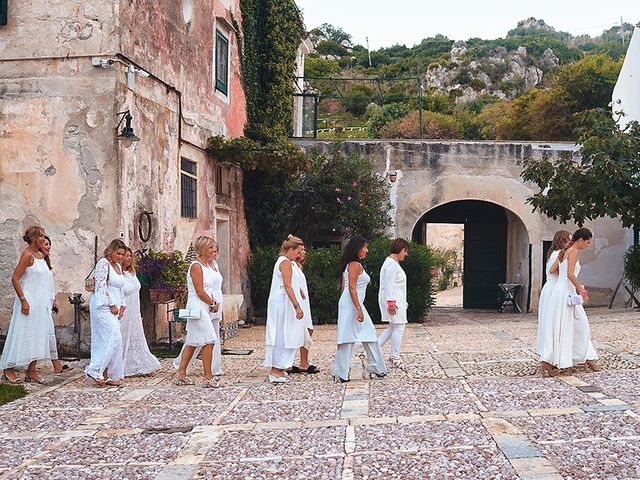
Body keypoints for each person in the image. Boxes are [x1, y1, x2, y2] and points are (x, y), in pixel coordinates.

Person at [1, 226, 56, 384]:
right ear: (34, 238)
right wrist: (23, 300)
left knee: (38, 336)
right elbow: (15, 278)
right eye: (41, 236)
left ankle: (31, 371)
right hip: (28, 302)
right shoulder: (27, 255)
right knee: (21, 334)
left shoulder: (41, 255)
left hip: (41, 303)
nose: (44, 239)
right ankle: (8, 368)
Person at [332, 237, 387, 383]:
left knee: (364, 335)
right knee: (349, 337)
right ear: (358, 249)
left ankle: (344, 371)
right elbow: (351, 287)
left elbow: (345, 286)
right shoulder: (355, 265)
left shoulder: (351, 265)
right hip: (353, 304)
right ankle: (344, 371)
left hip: (351, 303)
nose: (367, 250)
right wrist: (358, 308)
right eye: (365, 247)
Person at [547, 227, 600, 371]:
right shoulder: (574, 251)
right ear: (581, 240)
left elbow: (552, 270)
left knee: (566, 325)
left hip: (561, 289)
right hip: (567, 291)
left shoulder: (565, 252)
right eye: (587, 243)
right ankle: (576, 358)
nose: (587, 246)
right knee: (579, 324)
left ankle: (569, 358)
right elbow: (570, 274)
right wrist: (582, 290)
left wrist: (563, 275)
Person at [173, 236, 219, 388]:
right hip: (197, 306)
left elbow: (209, 288)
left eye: (214, 247)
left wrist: (213, 303)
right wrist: (211, 302)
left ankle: (180, 373)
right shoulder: (196, 266)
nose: (214, 250)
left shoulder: (208, 265)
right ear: (203, 249)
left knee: (192, 342)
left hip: (205, 306)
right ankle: (208, 377)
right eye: (211, 247)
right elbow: (199, 291)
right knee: (209, 340)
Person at [85, 238, 128, 387]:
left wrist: (122, 305)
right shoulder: (103, 263)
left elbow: (121, 287)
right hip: (102, 305)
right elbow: (101, 285)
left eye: (123, 254)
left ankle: (108, 374)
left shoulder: (118, 266)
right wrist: (111, 304)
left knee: (116, 339)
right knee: (111, 336)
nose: (120, 257)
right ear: (111, 250)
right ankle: (94, 369)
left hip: (115, 306)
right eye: (118, 253)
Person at [264, 235, 306, 383]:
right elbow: (287, 286)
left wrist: (299, 291)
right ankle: (275, 369)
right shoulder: (285, 263)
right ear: (290, 250)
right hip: (282, 302)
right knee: (282, 333)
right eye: (298, 251)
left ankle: (280, 367)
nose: (299, 254)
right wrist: (297, 307)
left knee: (287, 332)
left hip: (283, 300)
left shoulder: (287, 262)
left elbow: (291, 283)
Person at [120, 247, 161, 376]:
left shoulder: (132, 273)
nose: (128, 258)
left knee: (134, 333)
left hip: (134, 310)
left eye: (129, 256)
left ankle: (136, 362)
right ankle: (119, 364)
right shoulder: (117, 274)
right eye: (126, 255)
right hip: (123, 310)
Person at [536, 230, 571, 377]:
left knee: (547, 323)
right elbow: (553, 271)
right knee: (552, 324)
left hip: (548, 288)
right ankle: (548, 359)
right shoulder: (559, 254)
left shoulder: (552, 253)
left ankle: (548, 357)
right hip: (553, 289)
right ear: (562, 240)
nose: (570, 243)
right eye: (568, 240)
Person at [40, 235, 73, 374]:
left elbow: (48, 285)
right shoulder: (35, 262)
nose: (49, 247)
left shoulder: (45, 263)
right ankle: (55, 365)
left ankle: (57, 365)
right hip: (39, 303)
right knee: (44, 334)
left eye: (49, 244)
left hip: (47, 303)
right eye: (46, 244)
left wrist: (53, 301)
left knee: (49, 334)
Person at [378, 238, 410, 369]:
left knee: (393, 327)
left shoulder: (392, 263)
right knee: (399, 327)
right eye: (405, 251)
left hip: (396, 299)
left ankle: (371, 350)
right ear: (400, 250)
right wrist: (391, 302)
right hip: (393, 300)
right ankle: (394, 356)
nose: (406, 254)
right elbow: (389, 284)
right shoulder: (391, 264)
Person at [289, 246, 320, 375]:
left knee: (307, 330)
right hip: (299, 301)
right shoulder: (290, 264)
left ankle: (303, 362)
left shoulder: (297, 266)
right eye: (301, 251)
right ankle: (292, 362)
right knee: (304, 330)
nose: (304, 253)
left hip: (303, 300)